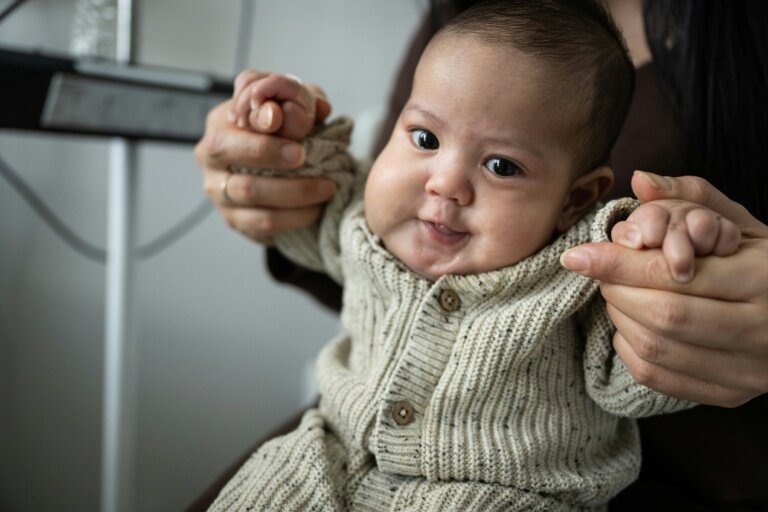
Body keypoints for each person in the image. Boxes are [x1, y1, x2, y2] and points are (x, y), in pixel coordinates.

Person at [193, 0, 768, 509]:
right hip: (329, 459)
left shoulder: (578, 276)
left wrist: (676, 259)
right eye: (424, 139)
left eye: (501, 166)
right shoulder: (364, 224)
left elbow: (647, 365)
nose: (444, 183)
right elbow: (315, 205)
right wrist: (285, 139)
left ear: (576, 199)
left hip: (503, 493)